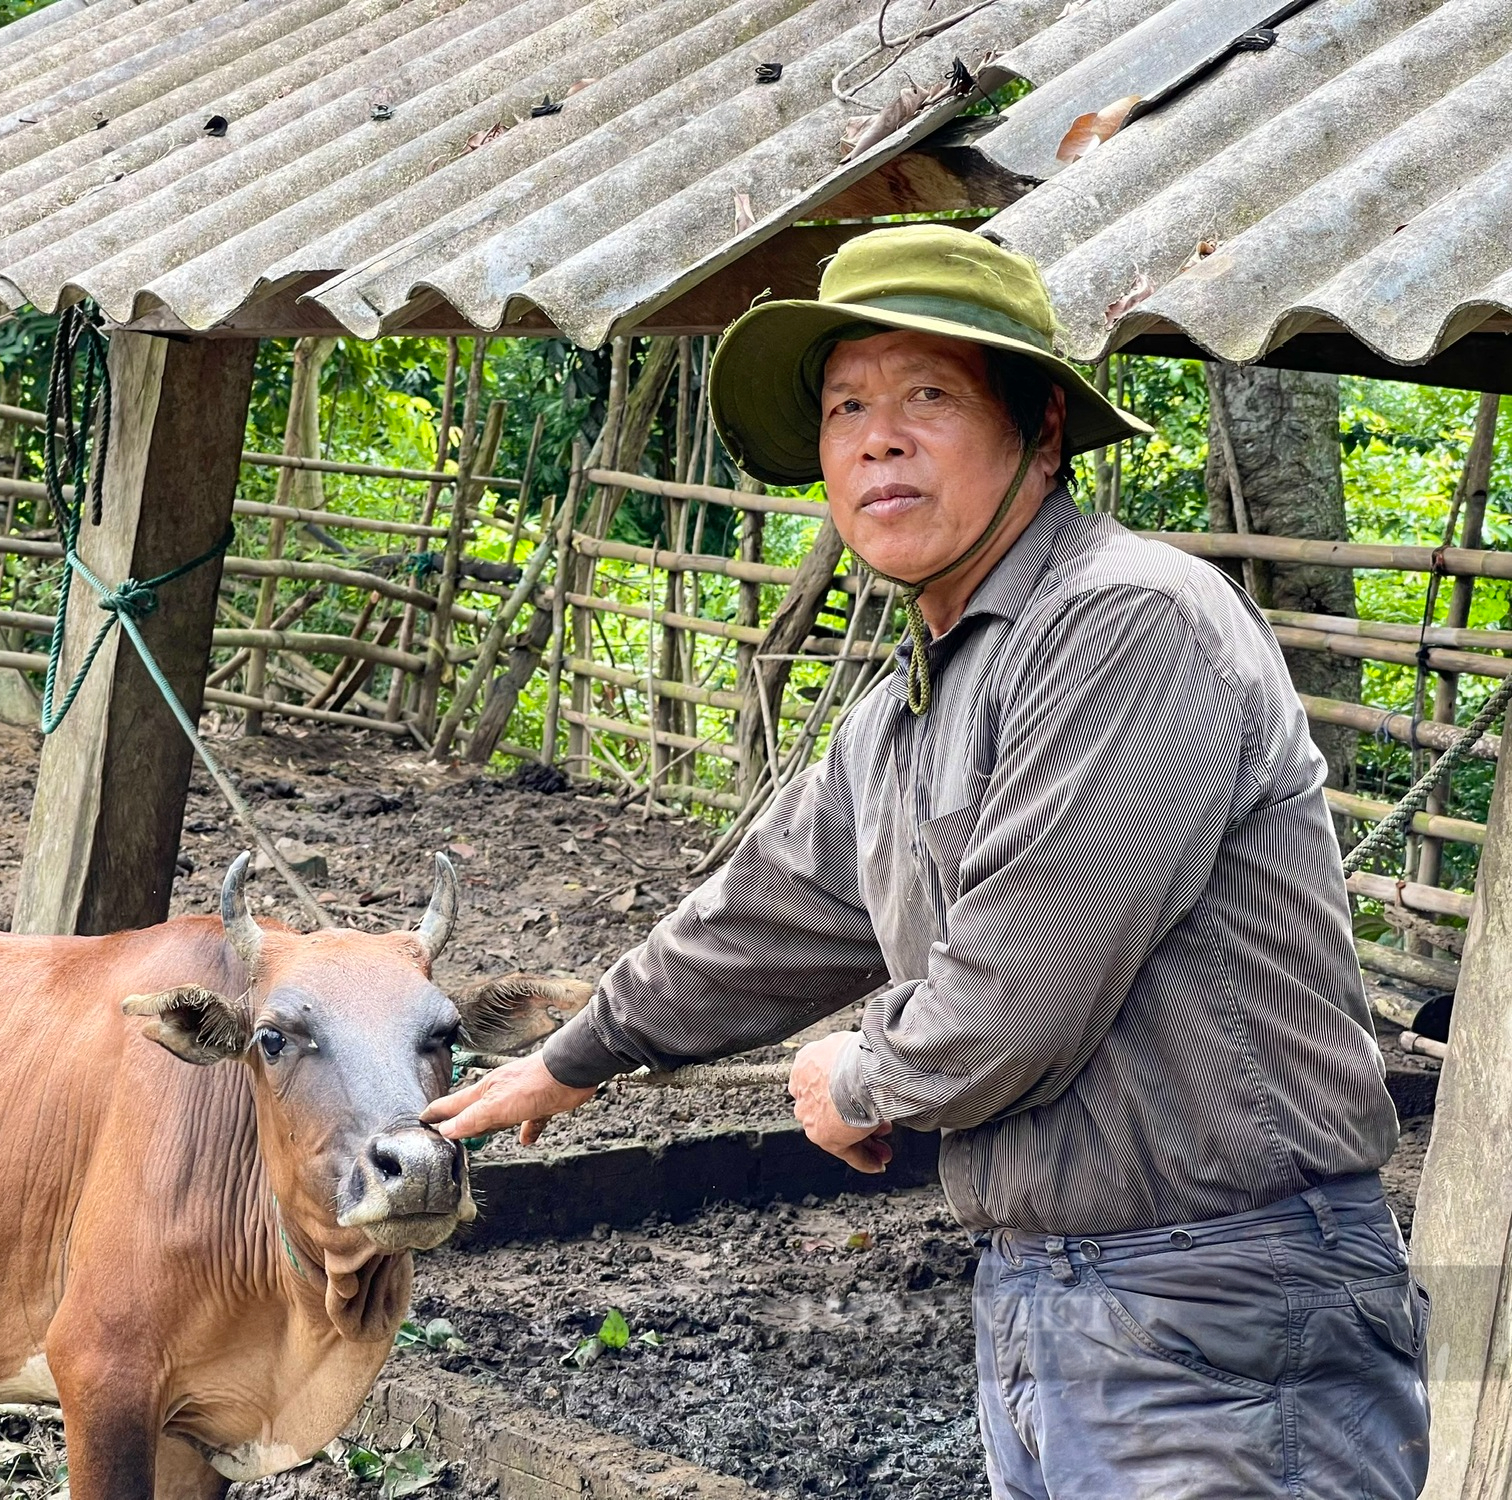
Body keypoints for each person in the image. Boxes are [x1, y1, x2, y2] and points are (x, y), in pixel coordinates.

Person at [423, 224, 1430, 1499]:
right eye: (846, 406)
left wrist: (862, 1077)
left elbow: (1016, 996)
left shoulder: (1122, 624)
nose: (875, 438)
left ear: (1042, 427)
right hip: (1044, 1288)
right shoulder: (905, 704)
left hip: (1219, 1291)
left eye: (926, 397)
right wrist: (568, 1065)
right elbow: (764, 916)